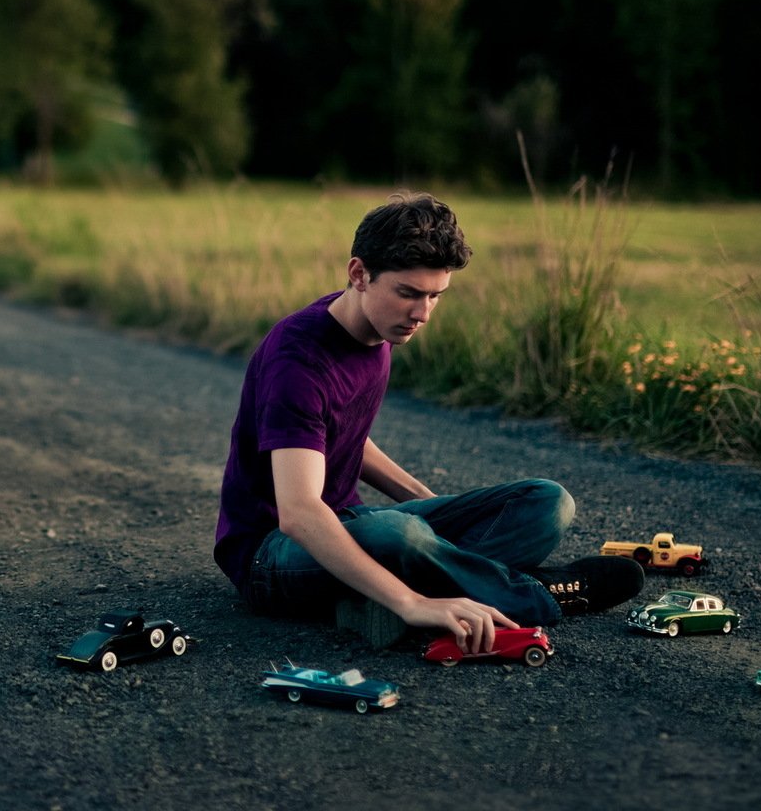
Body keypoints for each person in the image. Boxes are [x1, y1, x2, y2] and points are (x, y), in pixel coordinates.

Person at [213, 193, 643, 652]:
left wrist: (435, 509)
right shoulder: (298, 359)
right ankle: (534, 595)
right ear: (359, 274)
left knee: (546, 502)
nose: (421, 314)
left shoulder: (378, 326)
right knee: (400, 534)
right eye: (409, 294)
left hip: (354, 523)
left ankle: (381, 598)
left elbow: (344, 438)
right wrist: (411, 598)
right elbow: (299, 514)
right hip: (272, 553)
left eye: (435, 296)